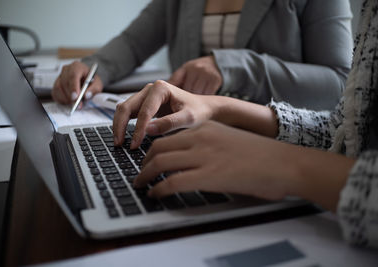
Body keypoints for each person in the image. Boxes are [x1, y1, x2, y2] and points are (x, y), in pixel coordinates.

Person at [112, 0, 378, 248]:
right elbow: (345, 130)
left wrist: (281, 160)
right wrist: (218, 108)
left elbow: (341, 89)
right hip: (205, 139)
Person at [52, 0, 353, 111]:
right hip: (187, 135)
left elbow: (339, 85)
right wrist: (93, 68)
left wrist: (235, 67)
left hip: (275, 145)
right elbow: (133, 43)